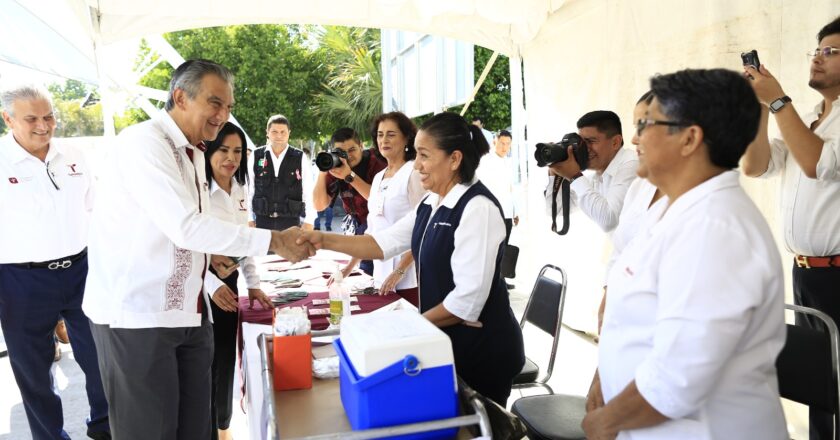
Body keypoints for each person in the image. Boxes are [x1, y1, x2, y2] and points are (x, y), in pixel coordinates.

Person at [82, 59, 312, 440]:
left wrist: (213, 259)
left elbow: (186, 233)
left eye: (229, 107)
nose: (223, 115)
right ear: (180, 98)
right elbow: (185, 226)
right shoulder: (145, 143)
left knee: (197, 429)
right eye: (215, 103)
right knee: (150, 432)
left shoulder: (192, 152)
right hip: (139, 315)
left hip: (189, 314)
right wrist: (275, 240)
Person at [582, 68, 787, 440]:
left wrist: (607, 420)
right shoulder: (675, 208)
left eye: (648, 124)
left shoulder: (715, 229)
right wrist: (606, 371)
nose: (635, 137)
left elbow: (677, 378)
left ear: (690, 138)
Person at [299, 112, 525, 406]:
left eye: (423, 155)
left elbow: (466, 301)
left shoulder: (476, 208)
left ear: (454, 159)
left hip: (482, 353)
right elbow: (381, 243)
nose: (416, 165)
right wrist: (322, 238)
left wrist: (404, 329)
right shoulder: (432, 202)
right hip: (447, 343)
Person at [741, 16, 840, 440]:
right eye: (817, 51)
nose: (818, 59)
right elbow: (756, 164)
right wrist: (761, 109)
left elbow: (818, 163)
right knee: (821, 388)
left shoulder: (806, 121)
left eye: (831, 52)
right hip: (806, 272)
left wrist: (779, 100)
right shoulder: (813, 118)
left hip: (837, 273)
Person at [0, 84, 111, 440]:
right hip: (20, 281)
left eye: (49, 116)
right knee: (33, 372)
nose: (43, 125)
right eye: (31, 118)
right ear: (8, 118)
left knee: (99, 358)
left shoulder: (75, 153)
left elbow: (97, 209)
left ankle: (105, 426)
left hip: (82, 270)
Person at [203, 122, 273, 440]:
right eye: (223, 150)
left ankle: (223, 426)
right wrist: (211, 283)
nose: (231, 158)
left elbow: (244, 242)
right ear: (208, 150)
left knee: (225, 360)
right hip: (198, 286)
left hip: (229, 284)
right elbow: (180, 248)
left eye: (238, 151)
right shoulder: (197, 191)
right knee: (201, 363)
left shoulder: (240, 189)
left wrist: (253, 283)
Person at [338, 112, 425, 306]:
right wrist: (349, 267)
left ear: (406, 138)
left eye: (391, 134)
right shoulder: (378, 177)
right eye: (380, 134)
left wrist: (400, 271)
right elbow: (372, 230)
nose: (383, 140)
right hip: (381, 274)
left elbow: (422, 228)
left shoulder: (414, 173)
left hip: (409, 277)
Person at [595, 91, 664, 332]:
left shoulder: (706, 212)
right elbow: (621, 251)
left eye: (644, 126)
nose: (634, 139)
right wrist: (607, 298)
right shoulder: (641, 186)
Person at [546, 110, 638, 234]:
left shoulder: (631, 164)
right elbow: (558, 210)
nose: (584, 149)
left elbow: (609, 221)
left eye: (591, 141)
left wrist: (574, 176)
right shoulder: (598, 176)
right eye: (581, 143)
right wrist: (554, 174)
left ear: (615, 142)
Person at [312, 127, 387, 275]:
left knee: (379, 276)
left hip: (381, 228)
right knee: (365, 276)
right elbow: (319, 205)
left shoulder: (376, 161)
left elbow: (378, 201)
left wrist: (349, 175)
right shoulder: (336, 166)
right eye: (341, 152)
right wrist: (322, 172)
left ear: (361, 146)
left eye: (352, 149)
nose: (348, 156)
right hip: (357, 227)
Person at [247, 114, 315, 231]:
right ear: (267, 133)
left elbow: (308, 190)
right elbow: (249, 189)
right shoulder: (256, 155)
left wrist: (309, 220)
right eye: (274, 132)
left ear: (289, 133)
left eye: (283, 132)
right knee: (263, 250)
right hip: (262, 222)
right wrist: (248, 218)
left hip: (291, 223)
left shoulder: (299, 157)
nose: (279, 136)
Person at [476, 129, 519, 289]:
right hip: (492, 211)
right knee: (491, 247)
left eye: (508, 144)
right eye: (502, 143)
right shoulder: (486, 161)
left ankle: (501, 279)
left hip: (507, 211)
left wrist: (515, 210)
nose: (505, 147)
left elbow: (510, 188)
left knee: (505, 246)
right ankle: (490, 281)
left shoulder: (508, 162)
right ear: (495, 141)